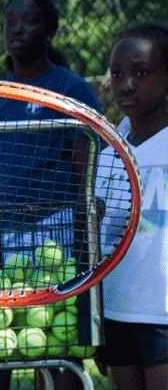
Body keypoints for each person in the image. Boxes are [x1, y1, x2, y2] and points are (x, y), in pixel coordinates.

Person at [0, 0, 102, 390]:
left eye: (29, 21)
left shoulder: (72, 89)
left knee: (56, 350)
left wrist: (80, 238)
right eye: (10, 21)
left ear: (49, 32)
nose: (17, 29)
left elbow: (87, 174)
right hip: (3, 236)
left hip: (54, 234)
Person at [94, 22, 168, 390]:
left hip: (162, 316)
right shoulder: (108, 154)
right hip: (116, 312)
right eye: (118, 73)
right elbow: (102, 241)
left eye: (142, 72)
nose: (127, 84)